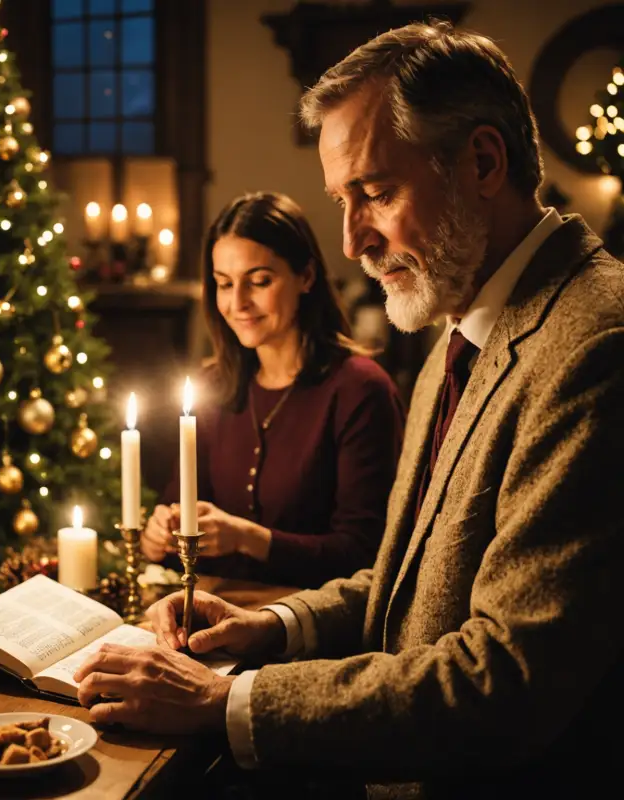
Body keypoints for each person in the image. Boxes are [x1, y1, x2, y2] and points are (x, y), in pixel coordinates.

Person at [73, 21, 624, 799]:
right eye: (342, 200)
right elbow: (402, 582)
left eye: (375, 193)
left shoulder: (597, 342)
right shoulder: (457, 331)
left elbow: (504, 681)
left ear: (483, 162)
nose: (352, 238)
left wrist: (222, 700)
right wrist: (270, 625)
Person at [142, 191, 404, 588]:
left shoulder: (360, 390)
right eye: (224, 284)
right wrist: (157, 532)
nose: (238, 302)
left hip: (311, 630)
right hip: (212, 615)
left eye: (259, 281)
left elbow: (365, 555)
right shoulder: (214, 387)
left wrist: (248, 539)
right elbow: (175, 508)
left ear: (307, 276)